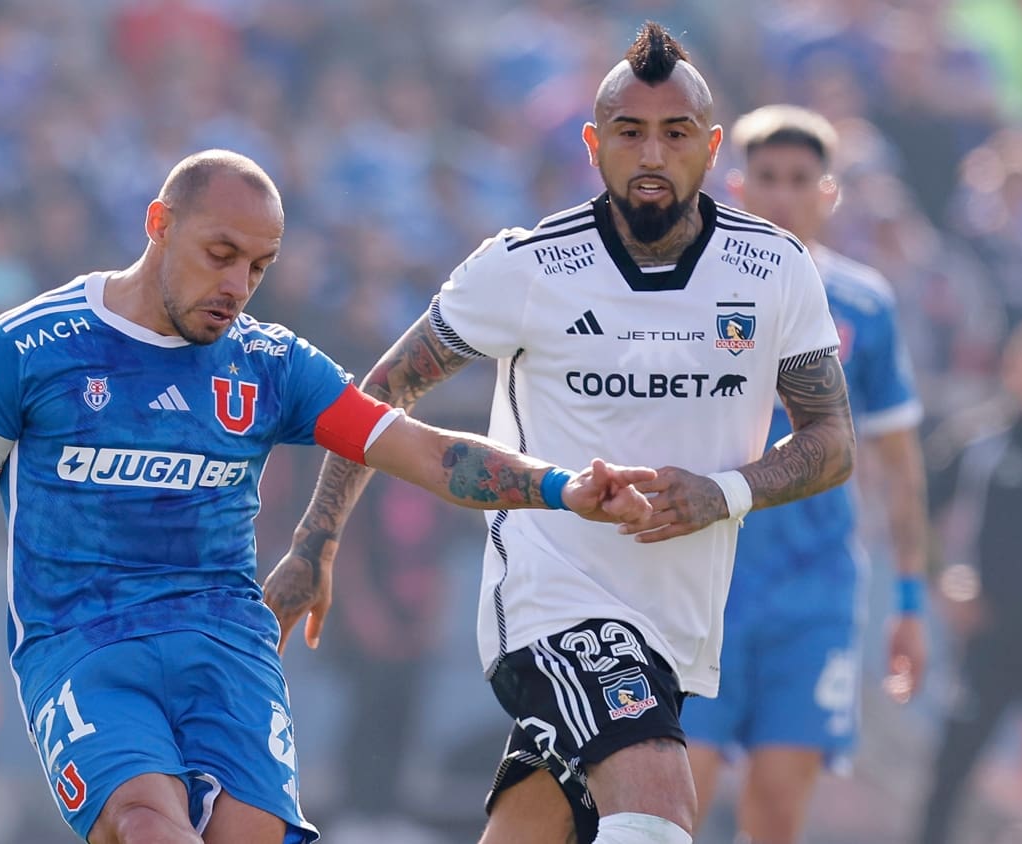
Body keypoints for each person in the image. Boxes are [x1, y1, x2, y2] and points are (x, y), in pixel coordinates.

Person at [0, 149, 659, 844]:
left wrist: (562, 486)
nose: (236, 286)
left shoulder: (270, 364)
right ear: (159, 225)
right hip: (85, 646)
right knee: (144, 825)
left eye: (258, 267)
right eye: (220, 255)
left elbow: (424, 451)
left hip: (226, 642)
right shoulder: (24, 349)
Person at [265, 23, 856, 844]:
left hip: (677, 627)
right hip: (553, 609)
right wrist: (315, 541)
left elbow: (832, 440)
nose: (652, 153)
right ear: (593, 144)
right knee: (657, 802)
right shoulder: (526, 266)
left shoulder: (775, 268)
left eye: (675, 133)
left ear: (711, 146)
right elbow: (381, 394)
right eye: (629, 131)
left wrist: (721, 493)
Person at [676, 104, 930, 844]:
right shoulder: (689, 292)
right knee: (674, 801)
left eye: (800, 178)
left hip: (815, 588)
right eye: (767, 177)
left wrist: (910, 599)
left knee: (779, 813)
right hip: (707, 581)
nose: (782, 193)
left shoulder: (863, 304)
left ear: (829, 191)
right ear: (737, 185)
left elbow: (898, 465)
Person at [916, 312, 1022, 844]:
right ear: (1015, 371)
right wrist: (941, 578)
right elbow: (918, 505)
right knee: (949, 773)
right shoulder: (981, 441)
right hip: (991, 637)